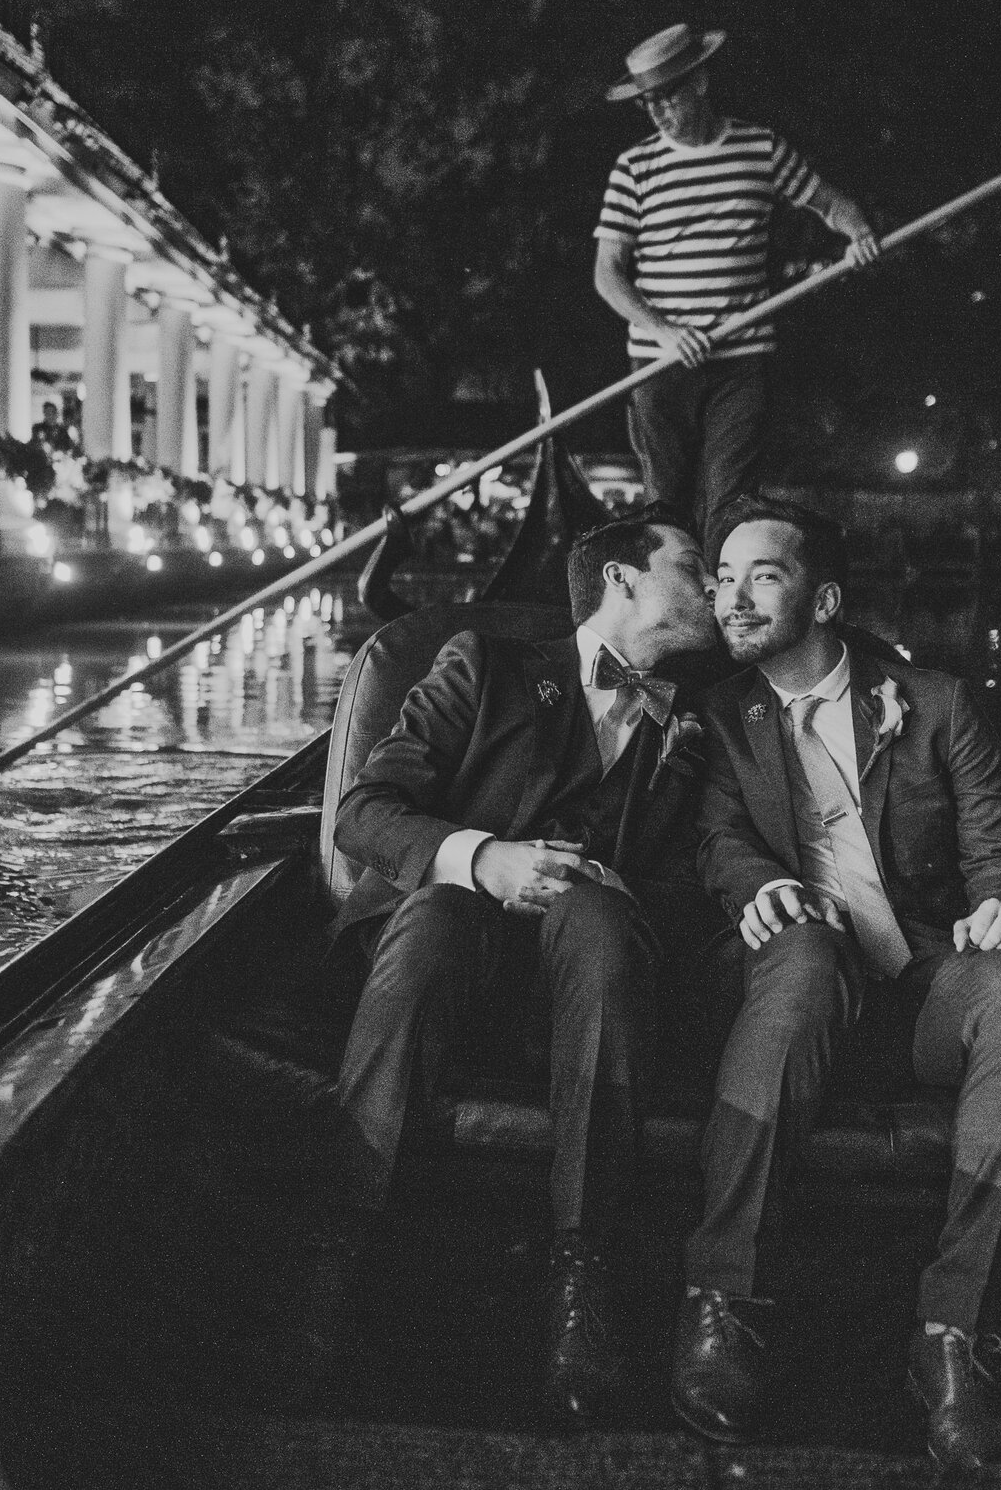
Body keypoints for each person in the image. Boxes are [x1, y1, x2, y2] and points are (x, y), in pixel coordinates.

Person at [675, 495, 1001, 1466]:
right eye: (721, 578)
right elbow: (717, 838)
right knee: (803, 958)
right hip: (796, 985)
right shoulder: (719, 717)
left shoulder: (933, 702)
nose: (731, 597)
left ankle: (955, 1337)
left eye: (760, 575)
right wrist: (759, 884)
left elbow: (996, 845)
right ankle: (724, 1302)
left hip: (919, 988)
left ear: (825, 598)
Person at [308, 506, 722, 1421]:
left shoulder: (695, 718)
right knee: (440, 917)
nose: (714, 584)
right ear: (623, 579)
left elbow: (696, 882)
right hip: (450, 944)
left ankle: (581, 1271)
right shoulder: (484, 666)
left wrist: (619, 885)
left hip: (593, 982)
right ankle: (346, 1244)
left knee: (603, 924)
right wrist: (483, 856)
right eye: (693, 565)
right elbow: (365, 810)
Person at [593, 25, 881, 551]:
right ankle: (675, 618)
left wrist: (858, 233)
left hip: (742, 360)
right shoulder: (633, 168)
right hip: (660, 364)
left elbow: (830, 204)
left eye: (666, 97)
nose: (657, 113)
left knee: (731, 500)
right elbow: (607, 274)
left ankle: (728, 615)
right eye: (647, 104)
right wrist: (665, 332)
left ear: (700, 82)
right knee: (666, 504)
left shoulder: (761, 148)